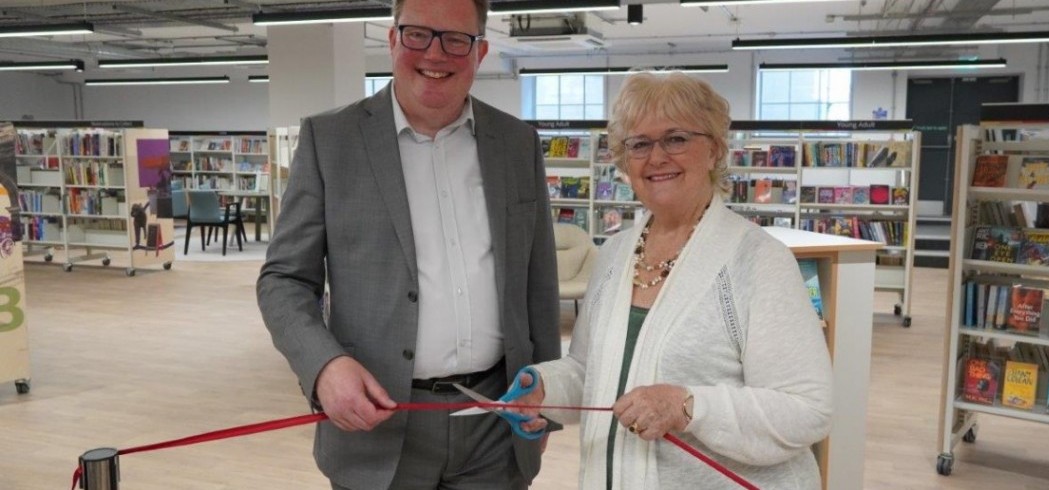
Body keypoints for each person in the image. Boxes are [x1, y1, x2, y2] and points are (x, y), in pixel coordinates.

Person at [255, 0, 561, 488]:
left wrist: (552, 399)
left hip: (497, 425)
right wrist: (324, 366)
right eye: (418, 34)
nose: (436, 54)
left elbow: (538, 281)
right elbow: (284, 280)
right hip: (378, 429)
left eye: (456, 39)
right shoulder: (329, 139)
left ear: (480, 52)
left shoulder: (517, 143)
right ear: (393, 39)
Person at [513, 72, 834, 489]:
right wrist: (546, 387)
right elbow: (593, 373)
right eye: (639, 144)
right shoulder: (613, 255)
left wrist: (689, 407)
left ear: (715, 149)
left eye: (677, 139)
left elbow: (808, 409)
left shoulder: (758, 261)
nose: (657, 157)